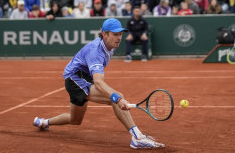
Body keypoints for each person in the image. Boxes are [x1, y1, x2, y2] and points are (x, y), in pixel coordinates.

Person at [33, 18, 164, 149]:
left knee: (75, 120)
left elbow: (98, 80)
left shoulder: (109, 45)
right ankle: (137, 137)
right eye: (115, 34)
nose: (119, 38)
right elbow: (99, 83)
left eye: (120, 34)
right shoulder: (96, 51)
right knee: (116, 97)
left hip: (84, 78)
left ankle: (44, 122)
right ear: (105, 34)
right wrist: (117, 99)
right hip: (75, 79)